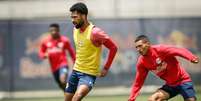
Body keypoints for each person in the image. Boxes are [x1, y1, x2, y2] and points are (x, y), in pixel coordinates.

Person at [64, 2, 118, 101]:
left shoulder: (95, 32)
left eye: (75, 17)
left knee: (77, 97)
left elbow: (113, 48)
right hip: (75, 71)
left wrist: (106, 68)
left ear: (84, 16)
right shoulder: (75, 30)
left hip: (88, 74)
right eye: (71, 17)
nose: (73, 20)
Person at [129, 35, 199, 101]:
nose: (138, 49)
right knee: (153, 99)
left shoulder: (160, 49)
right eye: (136, 47)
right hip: (170, 85)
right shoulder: (141, 62)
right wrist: (132, 98)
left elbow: (178, 50)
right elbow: (138, 82)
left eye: (140, 46)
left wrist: (191, 57)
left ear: (147, 44)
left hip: (183, 81)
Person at [39, 23, 75, 92]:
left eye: (55, 30)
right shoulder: (46, 42)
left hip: (63, 64)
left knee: (63, 79)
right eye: (51, 31)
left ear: (58, 30)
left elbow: (71, 52)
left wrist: (75, 62)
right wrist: (44, 55)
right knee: (61, 85)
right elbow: (41, 53)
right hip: (54, 68)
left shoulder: (65, 40)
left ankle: (71, 93)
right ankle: (69, 94)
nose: (53, 32)